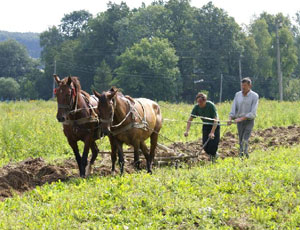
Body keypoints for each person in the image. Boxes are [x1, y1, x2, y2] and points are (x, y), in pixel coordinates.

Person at [228, 77, 259, 158]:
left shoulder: (254, 96)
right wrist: (230, 119)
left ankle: (244, 154)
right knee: (240, 139)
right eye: (242, 85)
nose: (243, 87)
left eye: (245, 85)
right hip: (239, 121)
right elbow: (233, 108)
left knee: (245, 139)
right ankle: (242, 154)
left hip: (249, 121)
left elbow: (253, 112)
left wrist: (242, 118)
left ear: (250, 86)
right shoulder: (237, 95)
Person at [184, 92, 220, 162]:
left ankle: (214, 156)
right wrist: (187, 131)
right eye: (198, 102)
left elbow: (216, 119)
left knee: (213, 144)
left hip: (214, 125)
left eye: (201, 102)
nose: (199, 104)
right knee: (205, 146)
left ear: (205, 101)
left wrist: (212, 132)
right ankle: (211, 156)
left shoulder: (210, 105)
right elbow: (190, 120)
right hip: (206, 125)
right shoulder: (196, 107)